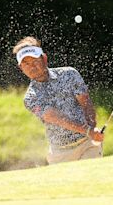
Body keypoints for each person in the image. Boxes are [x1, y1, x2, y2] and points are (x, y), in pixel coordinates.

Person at [12, 36, 104, 164]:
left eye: (34, 61)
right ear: (21, 68)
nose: (31, 67)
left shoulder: (69, 74)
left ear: (44, 58)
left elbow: (86, 103)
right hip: (60, 153)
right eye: (26, 64)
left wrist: (93, 127)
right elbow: (54, 117)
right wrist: (88, 131)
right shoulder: (30, 98)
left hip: (87, 145)